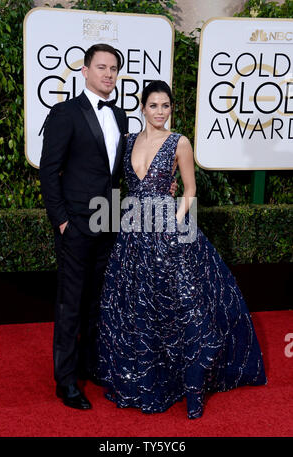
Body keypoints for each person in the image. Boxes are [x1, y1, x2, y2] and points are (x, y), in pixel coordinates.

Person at [94, 80, 267, 419]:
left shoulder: (179, 142)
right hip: (132, 234)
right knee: (136, 309)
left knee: (184, 310)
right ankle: (143, 379)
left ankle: (192, 385)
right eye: (154, 105)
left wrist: (173, 219)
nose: (160, 112)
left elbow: (189, 190)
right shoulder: (128, 141)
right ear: (142, 107)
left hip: (170, 235)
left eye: (166, 106)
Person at [39, 43, 128, 410]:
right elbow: (49, 171)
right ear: (86, 71)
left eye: (113, 69)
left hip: (108, 221)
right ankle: (65, 381)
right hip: (74, 224)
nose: (108, 74)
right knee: (70, 303)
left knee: (96, 302)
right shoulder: (65, 112)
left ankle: (89, 364)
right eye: (101, 67)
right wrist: (61, 220)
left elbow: (117, 173)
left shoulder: (121, 116)